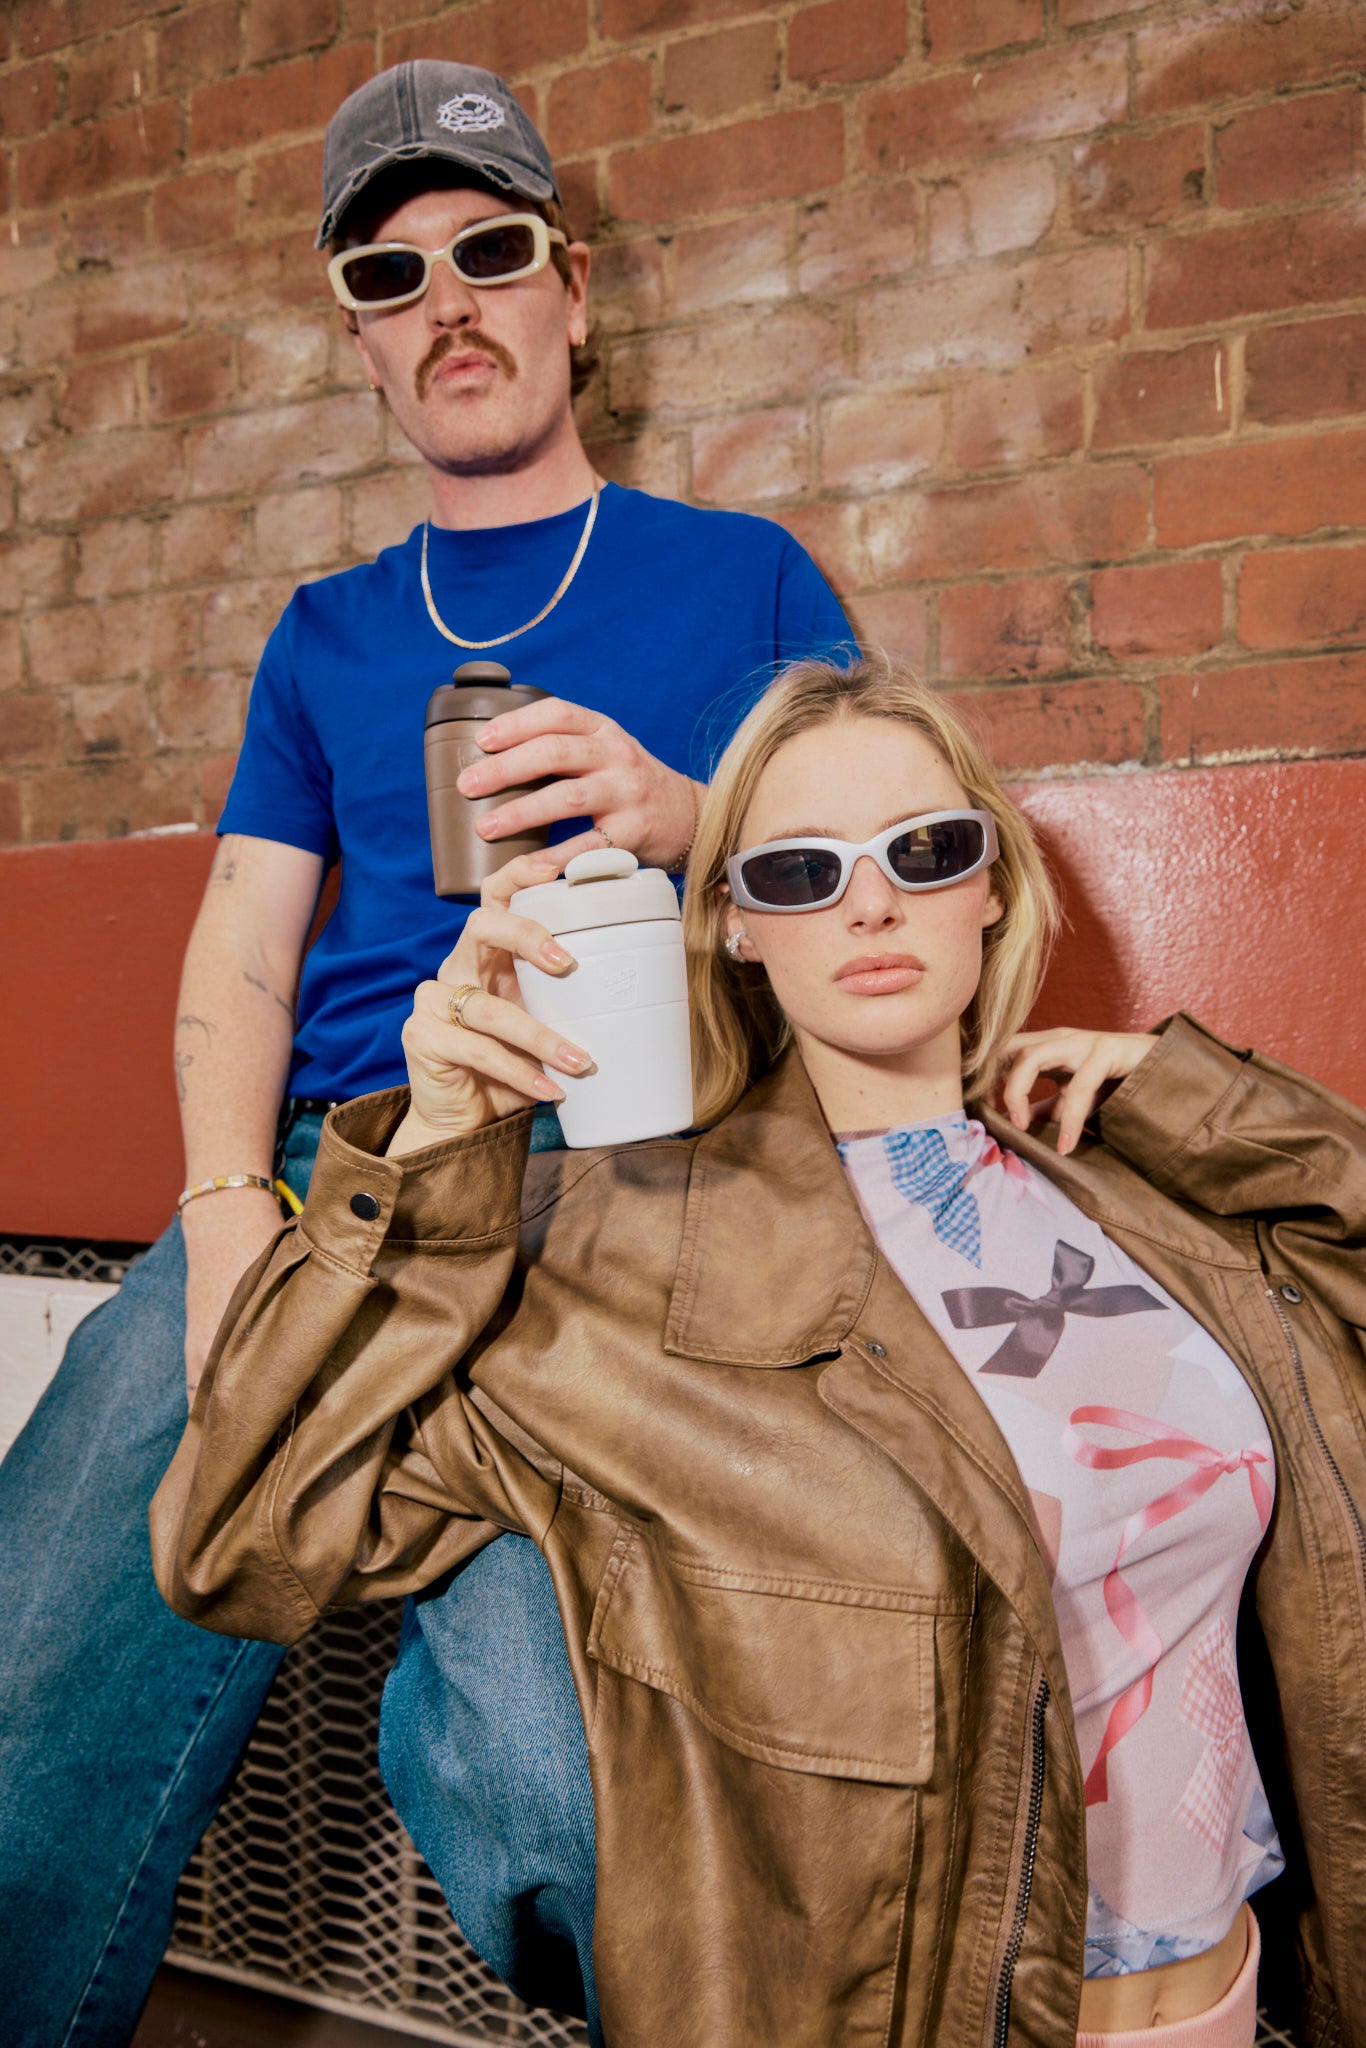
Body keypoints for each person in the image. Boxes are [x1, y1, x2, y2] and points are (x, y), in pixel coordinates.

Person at [150, 652, 1366, 2048]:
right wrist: (428, 1165)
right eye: (798, 871)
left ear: (993, 885)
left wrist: (1196, 1101)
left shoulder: (1148, 1200)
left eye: (924, 849)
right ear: (731, 921)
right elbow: (236, 1539)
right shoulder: (620, 1259)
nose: (869, 900)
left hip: (1230, 2000)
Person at [0, 59, 847, 2048]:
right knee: (28, 1693)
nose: (446, 302)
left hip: (631, 1203)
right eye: (390, 276)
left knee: (554, 1810)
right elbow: (236, 954)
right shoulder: (324, 635)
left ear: (571, 287)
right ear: (364, 347)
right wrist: (221, 1220)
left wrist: (683, 800)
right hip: (335, 1187)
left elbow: (877, 918)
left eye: (487, 250)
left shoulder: (746, 580)